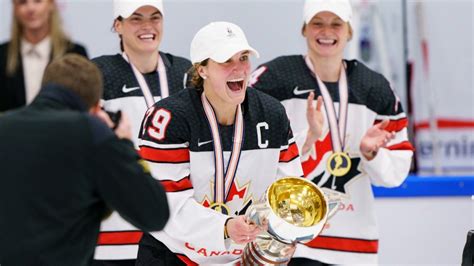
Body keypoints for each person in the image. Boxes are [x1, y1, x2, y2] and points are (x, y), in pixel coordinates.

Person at [250, 0, 414, 264]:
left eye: (336, 24)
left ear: (349, 31)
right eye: (317, 23)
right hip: (291, 240)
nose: (326, 32)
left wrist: (372, 154)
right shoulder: (274, 79)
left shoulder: (374, 89)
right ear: (304, 29)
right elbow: (247, 153)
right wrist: (307, 139)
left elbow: (396, 174)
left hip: (354, 244)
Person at [135, 21, 304, 265]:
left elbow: (288, 189)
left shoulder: (272, 114)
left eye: (243, 57)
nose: (239, 69)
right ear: (202, 69)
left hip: (240, 258)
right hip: (173, 256)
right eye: (226, 60)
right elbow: (165, 206)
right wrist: (224, 227)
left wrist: (281, 236)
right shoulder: (169, 118)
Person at [0, 54, 170, 266]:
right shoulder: (92, 133)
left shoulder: (4, 126)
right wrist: (124, 145)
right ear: (95, 106)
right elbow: (154, 213)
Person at [91, 0, 191, 263]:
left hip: (180, 234)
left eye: (155, 17)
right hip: (118, 233)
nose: (147, 26)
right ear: (118, 26)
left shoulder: (185, 74)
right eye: (136, 18)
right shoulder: (99, 74)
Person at [0, 0, 88, 112]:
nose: (30, 9)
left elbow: (83, 108)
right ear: (15, 8)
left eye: (38, 1)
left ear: (51, 4)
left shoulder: (75, 54)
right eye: (22, 2)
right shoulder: (2, 56)